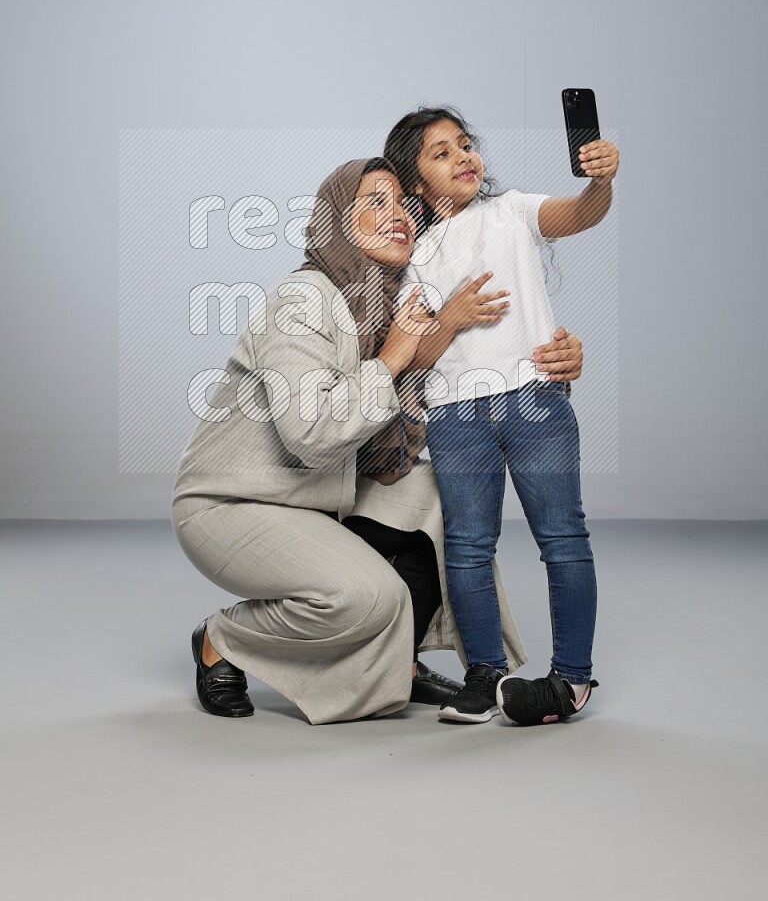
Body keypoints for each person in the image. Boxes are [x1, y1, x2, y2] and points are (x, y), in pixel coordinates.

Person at [171, 156, 585, 725]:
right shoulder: (304, 299)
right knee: (370, 598)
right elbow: (311, 433)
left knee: (442, 500)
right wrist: (394, 355)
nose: (398, 216)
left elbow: (448, 383)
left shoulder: (396, 302)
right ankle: (223, 638)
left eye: (402, 203)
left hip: (316, 495)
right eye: (375, 201)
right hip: (236, 504)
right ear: (337, 221)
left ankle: (402, 660)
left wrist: (556, 359)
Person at [383, 106, 619, 726]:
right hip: (455, 412)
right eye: (440, 153)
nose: (463, 156)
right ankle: (484, 673)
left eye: (464, 144)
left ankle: (571, 680)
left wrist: (600, 182)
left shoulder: (510, 210)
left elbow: (578, 214)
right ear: (414, 183)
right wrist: (451, 319)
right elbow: (411, 356)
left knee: (562, 538)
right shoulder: (411, 255)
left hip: (533, 400)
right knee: (465, 546)